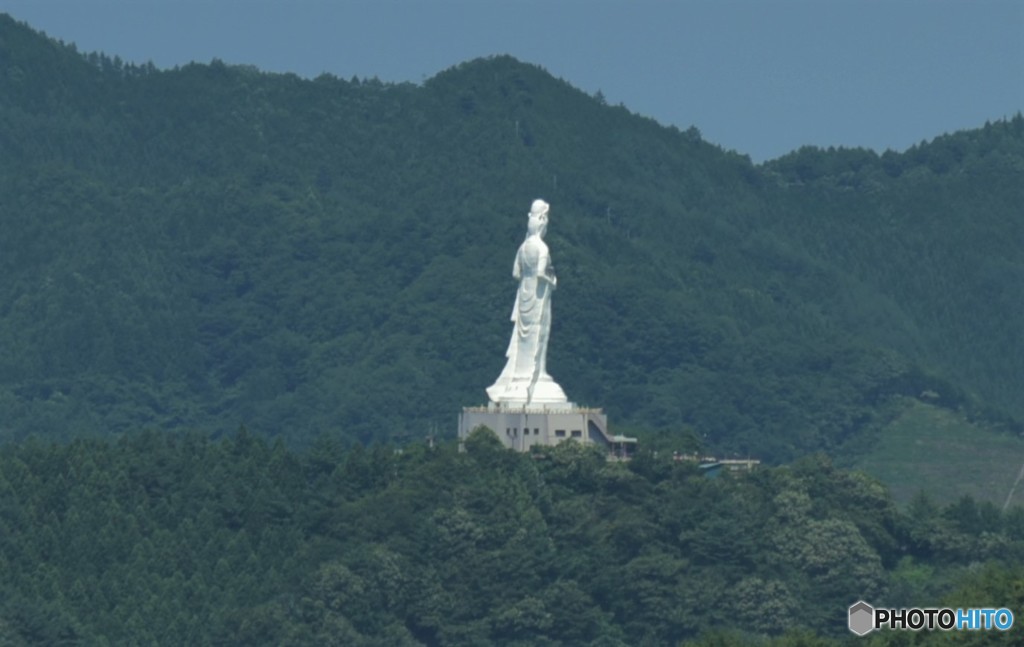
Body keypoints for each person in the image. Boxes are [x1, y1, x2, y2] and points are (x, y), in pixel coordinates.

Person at [486, 199, 568, 405]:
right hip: (539, 297)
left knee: (523, 340)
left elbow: (516, 273)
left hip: (524, 294)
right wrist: (553, 279)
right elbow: (542, 272)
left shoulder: (523, 247)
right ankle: (536, 374)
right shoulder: (542, 248)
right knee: (539, 336)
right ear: (542, 220)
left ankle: (521, 377)